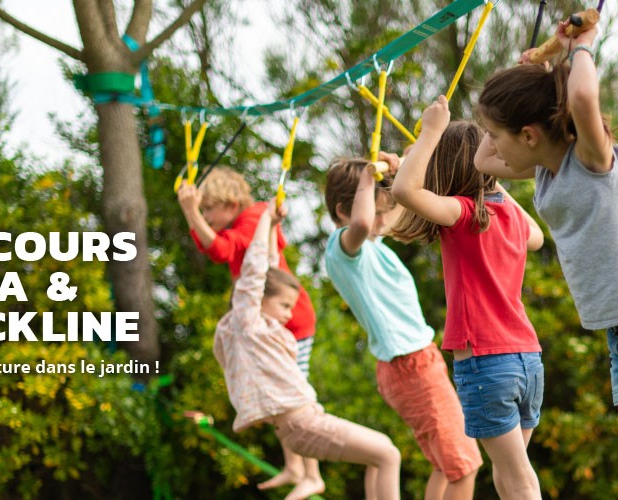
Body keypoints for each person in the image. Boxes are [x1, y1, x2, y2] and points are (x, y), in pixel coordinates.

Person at [473, 20, 618, 500]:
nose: (492, 143)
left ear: (528, 134)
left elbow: (583, 100)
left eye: (497, 134)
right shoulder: (543, 170)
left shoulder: (592, 159)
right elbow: (483, 162)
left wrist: (579, 47)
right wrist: (536, 67)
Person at [391, 98, 546, 499]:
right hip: (527, 359)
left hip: (486, 363)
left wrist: (430, 132)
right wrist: (491, 178)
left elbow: (406, 190)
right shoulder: (509, 218)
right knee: (508, 474)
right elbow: (538, 237)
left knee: (519, 480)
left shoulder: (462, 215)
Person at [213, 201, 402, 500]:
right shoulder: (249, 325)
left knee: (378, 458)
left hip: (300, 425)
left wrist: (274, 224)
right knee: (388, 454)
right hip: (302, 423)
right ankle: (310, 477)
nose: (290, 314)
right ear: (258, 301)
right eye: (284, 306)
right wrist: (263, 220)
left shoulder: (257, 333)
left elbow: (270, 269)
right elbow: (255, 273)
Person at [322, 153, 483, 500]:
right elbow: (363, 223)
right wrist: (366, 179)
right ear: (341, 212)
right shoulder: (344, 249)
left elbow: (401, 206)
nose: (381, 220)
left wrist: (401, 168)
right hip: (409, 366)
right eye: (375, 210)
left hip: (419, 363)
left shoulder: (373, 245)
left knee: (449, 464)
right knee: (464, 464)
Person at [176, 168, 323, 497]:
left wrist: (189, 211)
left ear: (229, 203)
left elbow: (221, 251)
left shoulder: (254, 215)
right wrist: (194, 215)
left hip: (289, 322)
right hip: (270, 324)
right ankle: (295, 466)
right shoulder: (255, 218)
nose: (205, 216)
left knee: (293, 395)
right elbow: (211, 245)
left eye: (208, 209)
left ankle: (312, 473)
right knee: (279, 396)